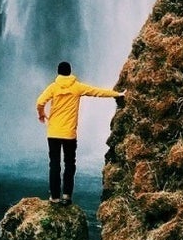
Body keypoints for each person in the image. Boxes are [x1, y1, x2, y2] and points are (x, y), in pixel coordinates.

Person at [36, 61, 124, 204]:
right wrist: (117, 94)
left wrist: (41, 114)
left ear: (58, 73)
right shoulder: (77, 87)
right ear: (70, 72)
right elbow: (97, 92)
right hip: (69, 133)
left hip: (53, 133)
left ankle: (54, 197)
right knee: (70, 164)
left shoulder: (53, 88)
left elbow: (40, 102)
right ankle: (67, 196)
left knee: (54, 164)